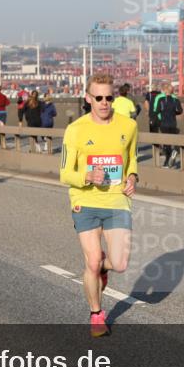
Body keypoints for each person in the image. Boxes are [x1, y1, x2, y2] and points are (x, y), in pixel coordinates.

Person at [59, 73, 138, 338]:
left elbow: (132, 160)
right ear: (88, 98)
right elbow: (64, 173)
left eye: (109, 98)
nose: (104, 103)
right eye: (99, 98)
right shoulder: (76, 129)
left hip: (117, 201)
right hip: (85, 201)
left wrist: (133, 177)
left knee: (120, 263)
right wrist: (87, 176)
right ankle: (96, 314)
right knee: (92, 261)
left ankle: (103, 268)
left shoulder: (128, 126)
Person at [152, 83, 183, 167]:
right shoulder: (175, 100)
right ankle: (175, 150)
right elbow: (180, 111)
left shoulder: (161, 99)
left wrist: (155, 118)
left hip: (164, 124)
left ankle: (166, 162)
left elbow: (156, 111)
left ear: (165, 90)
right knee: (172, 139)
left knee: (166, 144)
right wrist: (174, 113)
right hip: (173, 123)